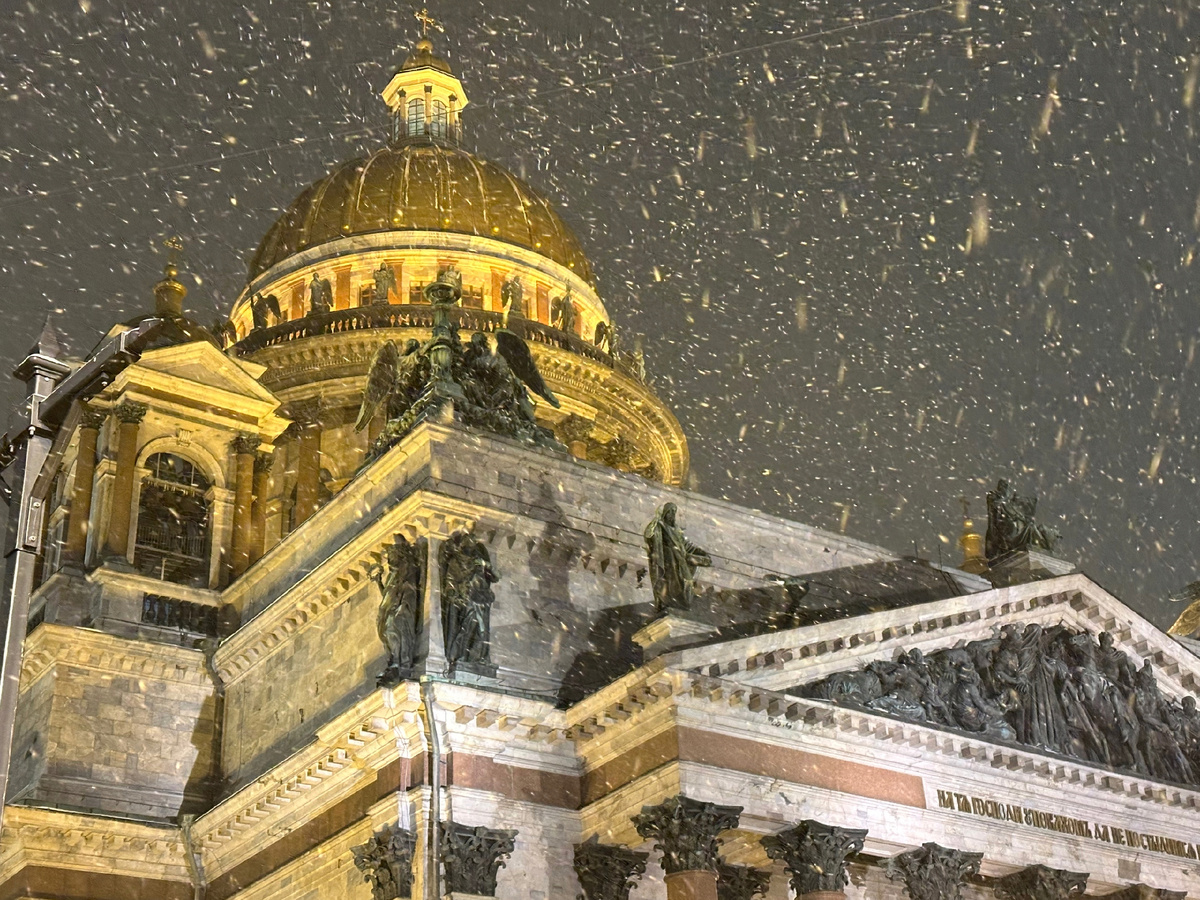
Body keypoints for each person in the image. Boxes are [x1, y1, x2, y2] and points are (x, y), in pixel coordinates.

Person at [643, 503, 712, 613]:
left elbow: (687, 546)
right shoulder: (660, 527)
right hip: (669, 563)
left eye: (673, 512)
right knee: (671, 585)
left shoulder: (677, 531)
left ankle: (681, 606)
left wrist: (702, 553)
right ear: (665, 513)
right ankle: (671, 603)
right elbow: (649, 536)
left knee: (687, 582)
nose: (672, 515)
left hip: (681, 563)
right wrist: (654, 522)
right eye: (669, 512)